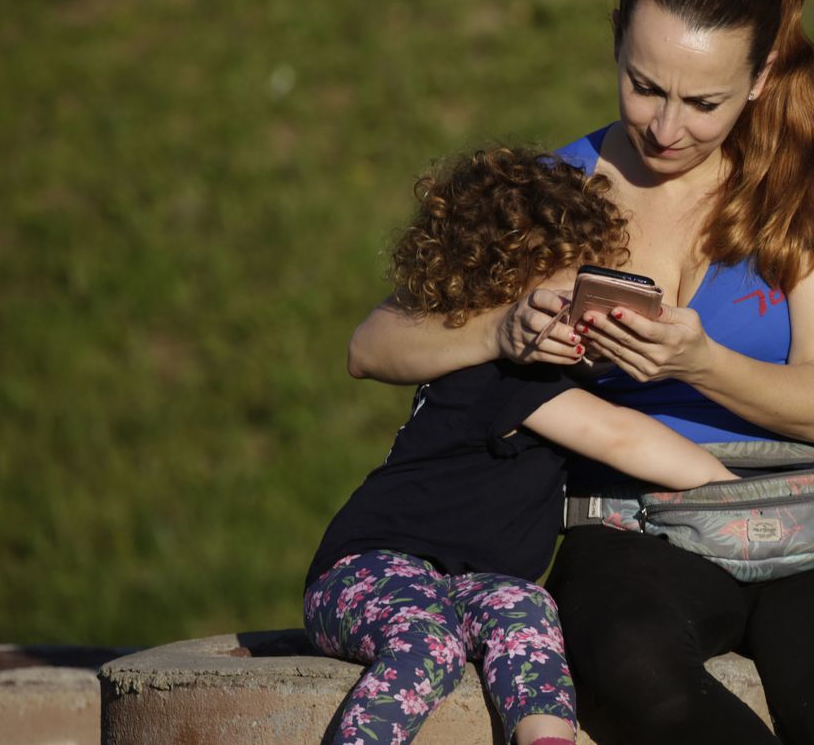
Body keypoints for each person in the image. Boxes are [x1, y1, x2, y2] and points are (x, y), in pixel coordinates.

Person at [348, 0, 814, 745]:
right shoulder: (556, 186)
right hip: (627, 518)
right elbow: (374, 345)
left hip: (805, 507)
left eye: (704, 103)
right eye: (644, 85)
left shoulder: (812, 175)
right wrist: (504, 329)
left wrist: (701, 362)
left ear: (761, 76)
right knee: (628, 673)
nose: (666, 127)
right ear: (616, 39)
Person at [306, 148, 735, 745]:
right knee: (427, 647)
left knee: (530, 617)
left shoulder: (510, 367)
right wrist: (739, 493)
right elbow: (622, 436)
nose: (591, 320)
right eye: (571, 302)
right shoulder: (502, 378)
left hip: (473, 582)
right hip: (368, 568)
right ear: (506, 294)